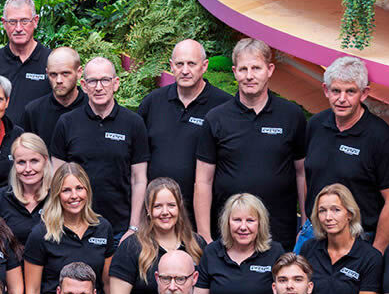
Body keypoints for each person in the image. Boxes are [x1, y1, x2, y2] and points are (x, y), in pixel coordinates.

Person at [197, 38, 306, 249]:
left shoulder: (292, 116)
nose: (249, 76)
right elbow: (203, 180)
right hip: (228, 236)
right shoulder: (216, 118)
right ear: (234, 72)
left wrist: (305, 226)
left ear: (270, 70)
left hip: (279, 234)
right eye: (243, 69)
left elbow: (302, 174)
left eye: (256, 68)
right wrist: (204, 235)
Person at [303, 56, 389, 248]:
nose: (342, 99)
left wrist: (377, 252)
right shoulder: (315, 125)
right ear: (326, 90)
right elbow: (307, 176)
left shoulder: (380, 137)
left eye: (350, 91)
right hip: (313, 232)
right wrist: (305, 222)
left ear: (364, 93)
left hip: (357, 238)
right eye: (336, 91)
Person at [50, 56, 148, 235]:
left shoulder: (134, 123)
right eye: (92, 81)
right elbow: (57, 179)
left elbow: (139, 179)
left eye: (105, 80)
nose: (98, 87)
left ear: (116, 83)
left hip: (121, 229)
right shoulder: (66, 123)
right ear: (83, 85)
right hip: (75, 227)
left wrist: (133, 227)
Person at [139, 39, 231, 226]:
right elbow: (137, 158)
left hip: (205, 218)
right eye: (179, 64)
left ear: (204, 66)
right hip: (157, 214)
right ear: (171, 66)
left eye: (191, 64)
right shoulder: (152, 102)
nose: (185, 70)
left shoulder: (224, 106)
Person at [22, 163, 114, 294]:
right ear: (57, 194)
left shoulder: (103, 228)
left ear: (87, 191)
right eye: (66, 190)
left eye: (79, 188)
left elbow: (108, 284)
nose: (74, 195)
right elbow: (32, 291)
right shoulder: (41, 233)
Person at [107, 176, 202, 294]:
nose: (165, 212)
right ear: (148, 209)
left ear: (179, 207)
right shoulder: (131, 247)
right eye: (157, 206)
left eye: (171, 205)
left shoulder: (197, 245)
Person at [299, 184, 382, 294]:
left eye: (336, 210)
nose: (328, 217)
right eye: (322, 211)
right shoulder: (309, 249)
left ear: (349, 214)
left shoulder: (370, 257)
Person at [199, 193, 284, 294]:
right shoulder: (211, 252)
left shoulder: (275, 252)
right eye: (237, 220)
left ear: (260, 223)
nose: (243, 227)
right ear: (227, 222)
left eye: (250, 220)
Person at [0, 0, 50, 109]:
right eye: (12, 22)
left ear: (35, 21)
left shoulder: (51, 61)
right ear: (4, 23)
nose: (18, 28)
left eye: (24, 21)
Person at [0, 132, 52, 243]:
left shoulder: (57, 196)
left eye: (34, 161)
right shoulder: (0, 198)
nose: (28, 169)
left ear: (45, 160)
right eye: (21, 162)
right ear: (14, 164)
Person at [17, 46, 84, 142]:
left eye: (65, 73)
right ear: (47, 73)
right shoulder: (34, 112)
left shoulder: (92, 107)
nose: (59, 80)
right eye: (53, 74)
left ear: (79, 72)